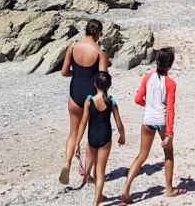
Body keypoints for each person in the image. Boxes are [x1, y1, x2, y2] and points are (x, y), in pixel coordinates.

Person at [120, 47, 185, 203]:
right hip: (162, 121)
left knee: (141, 155)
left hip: (148, 120)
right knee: (168, 154)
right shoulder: (171, 83)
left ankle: (126, 189)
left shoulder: (147, 78)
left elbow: (137, 99)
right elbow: (170, 110)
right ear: (170, 65)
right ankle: (169, 189)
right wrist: (169, 134)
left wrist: (148, 105)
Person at [60, 18, 109, 185]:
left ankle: (67, 163)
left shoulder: (72, 47)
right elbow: (102, 77)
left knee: (73, 132)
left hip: (75, 92)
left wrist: (77, 74)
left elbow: (64, 72)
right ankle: (87, 175)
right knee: (92, 136)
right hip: (91, 95)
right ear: (99, 33)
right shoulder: (100, 51)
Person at [70, 71, 126, 206]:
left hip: (92, 137)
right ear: (109, 85)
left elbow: (83, 123)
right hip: (105, 137)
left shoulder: (89, 101)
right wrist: (122, 136)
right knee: (100, 172)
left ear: (95, 84)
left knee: (95, 167)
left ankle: (98, 196)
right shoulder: (111, 101)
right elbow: (119, 123)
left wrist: (77, 143)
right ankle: (96, 201)